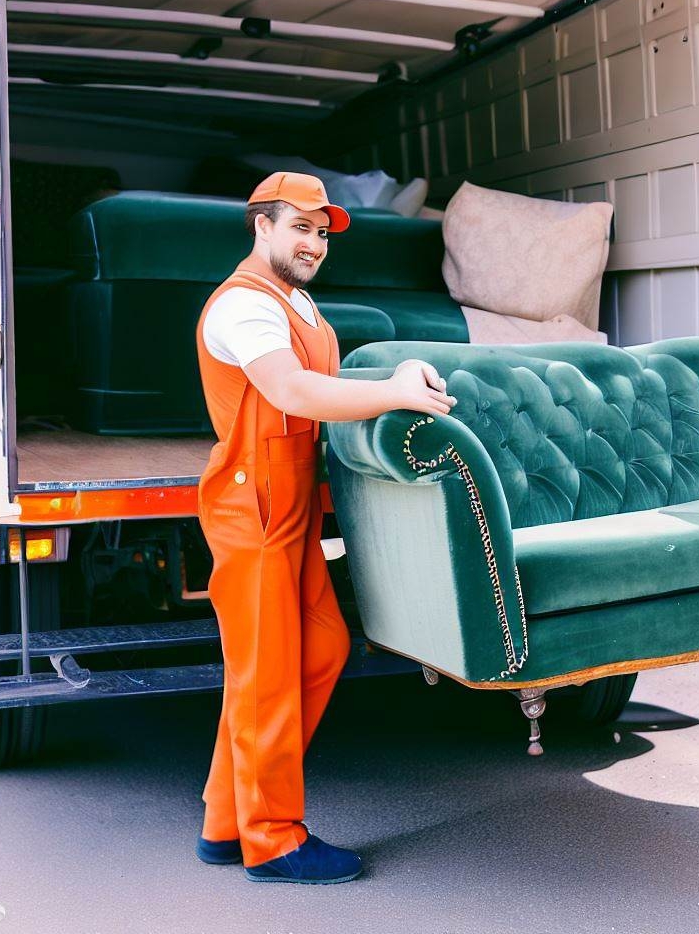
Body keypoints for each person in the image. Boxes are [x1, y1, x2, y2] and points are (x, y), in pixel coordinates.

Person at [194, 172, 456, 884]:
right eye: (299, 227)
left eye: (322, 231)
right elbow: (291, 390)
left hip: (292, 502)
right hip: (251, 506)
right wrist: (394, 393)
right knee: (267, 675)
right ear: (262, 227)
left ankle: (226, 820)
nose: (313, 242)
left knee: (319, 648)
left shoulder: (295, 300)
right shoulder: (244, 305)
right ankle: (273, 838)